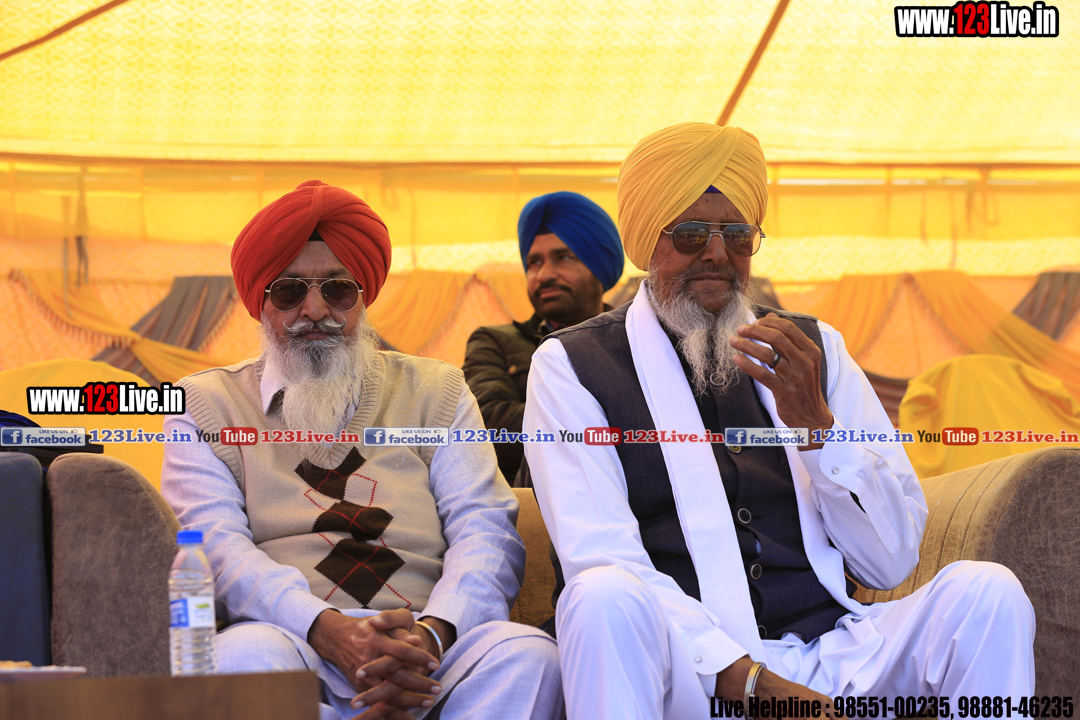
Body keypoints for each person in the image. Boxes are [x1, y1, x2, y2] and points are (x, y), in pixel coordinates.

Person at [523, 124, 1035, 720]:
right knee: (600, 595)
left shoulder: (815, 349)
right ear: (646, 243)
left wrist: (818, 431)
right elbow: (602, 555)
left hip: (831, 657)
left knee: (986, 594)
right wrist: (755, 685)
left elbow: (890, 560)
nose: (717, 254)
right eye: (690, 234)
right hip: (684, 674)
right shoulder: (572, 365)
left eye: (737, 235)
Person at [161, 180, 562, 720]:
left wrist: (430, 637)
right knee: (243, 659)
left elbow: (484, 527)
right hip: (293, 644)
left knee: (530, 658)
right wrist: (328, 631)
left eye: (337, 290)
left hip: (426, 653)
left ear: (363, 298)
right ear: (260, 303)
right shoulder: (205, 405)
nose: (314, 309)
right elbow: (217, 548)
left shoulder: (437, 390)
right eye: (289, 291)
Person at [463, 191, 623, 482]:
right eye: (534, 262)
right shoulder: (494, 341)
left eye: (563, 258)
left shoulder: (633, 341)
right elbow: (489, 430)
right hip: (530, 503)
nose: (544, 274)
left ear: (598, 265)